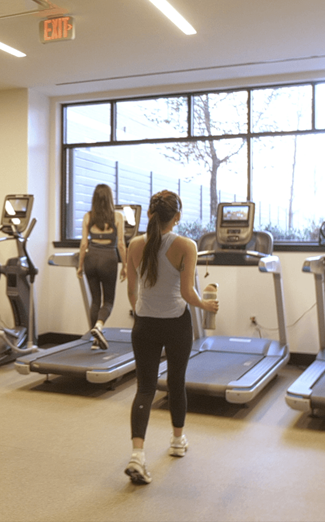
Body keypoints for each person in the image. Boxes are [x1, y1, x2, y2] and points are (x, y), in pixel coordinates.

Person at [123, 190, 218, 485]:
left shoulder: (135, 244)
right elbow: (189, 294)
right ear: (177, 217)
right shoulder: (186, 245)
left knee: (145, 388)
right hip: (176, 323)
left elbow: (131, 291)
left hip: (144, 324)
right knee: (176, 382)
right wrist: (207, 305)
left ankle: (137, 455)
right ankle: (178, 441)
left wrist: (140, 312)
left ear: (150, 215)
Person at [76, 184, 128, 350]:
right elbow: (121, 244)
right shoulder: (117, 217)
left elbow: (84, 244)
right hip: (108, 260)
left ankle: (95, 341)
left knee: (95, 301)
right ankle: (98, 326)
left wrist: (80, 266)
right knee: (109, 301)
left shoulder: (87, 217)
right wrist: (125, 266)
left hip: (91, 259)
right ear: (110, 199)